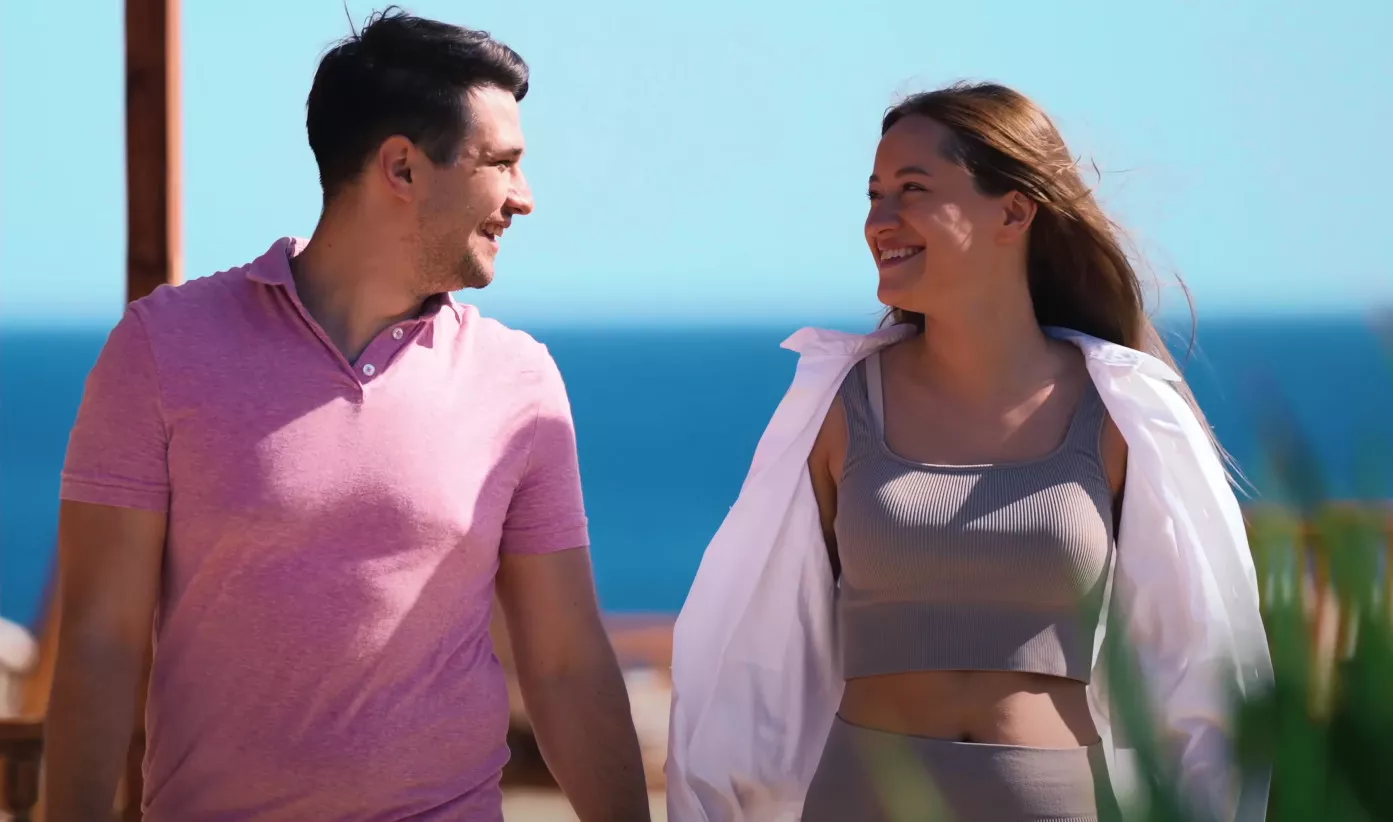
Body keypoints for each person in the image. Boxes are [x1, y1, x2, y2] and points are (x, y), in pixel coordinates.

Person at [44, 9, 651, 822]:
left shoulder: (519, 379)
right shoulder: (162, 347)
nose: (524, 198)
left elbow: (568, 663)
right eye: (502, 163)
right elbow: (101, 640)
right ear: (401, 167)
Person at [666, 82, 1272, 821]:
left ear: (1013, 212)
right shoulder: (835, 404)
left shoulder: (1125, 410)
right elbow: (752, 647)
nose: (879, 221)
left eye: (912, 190)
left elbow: (1204, 657)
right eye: (874, 194)